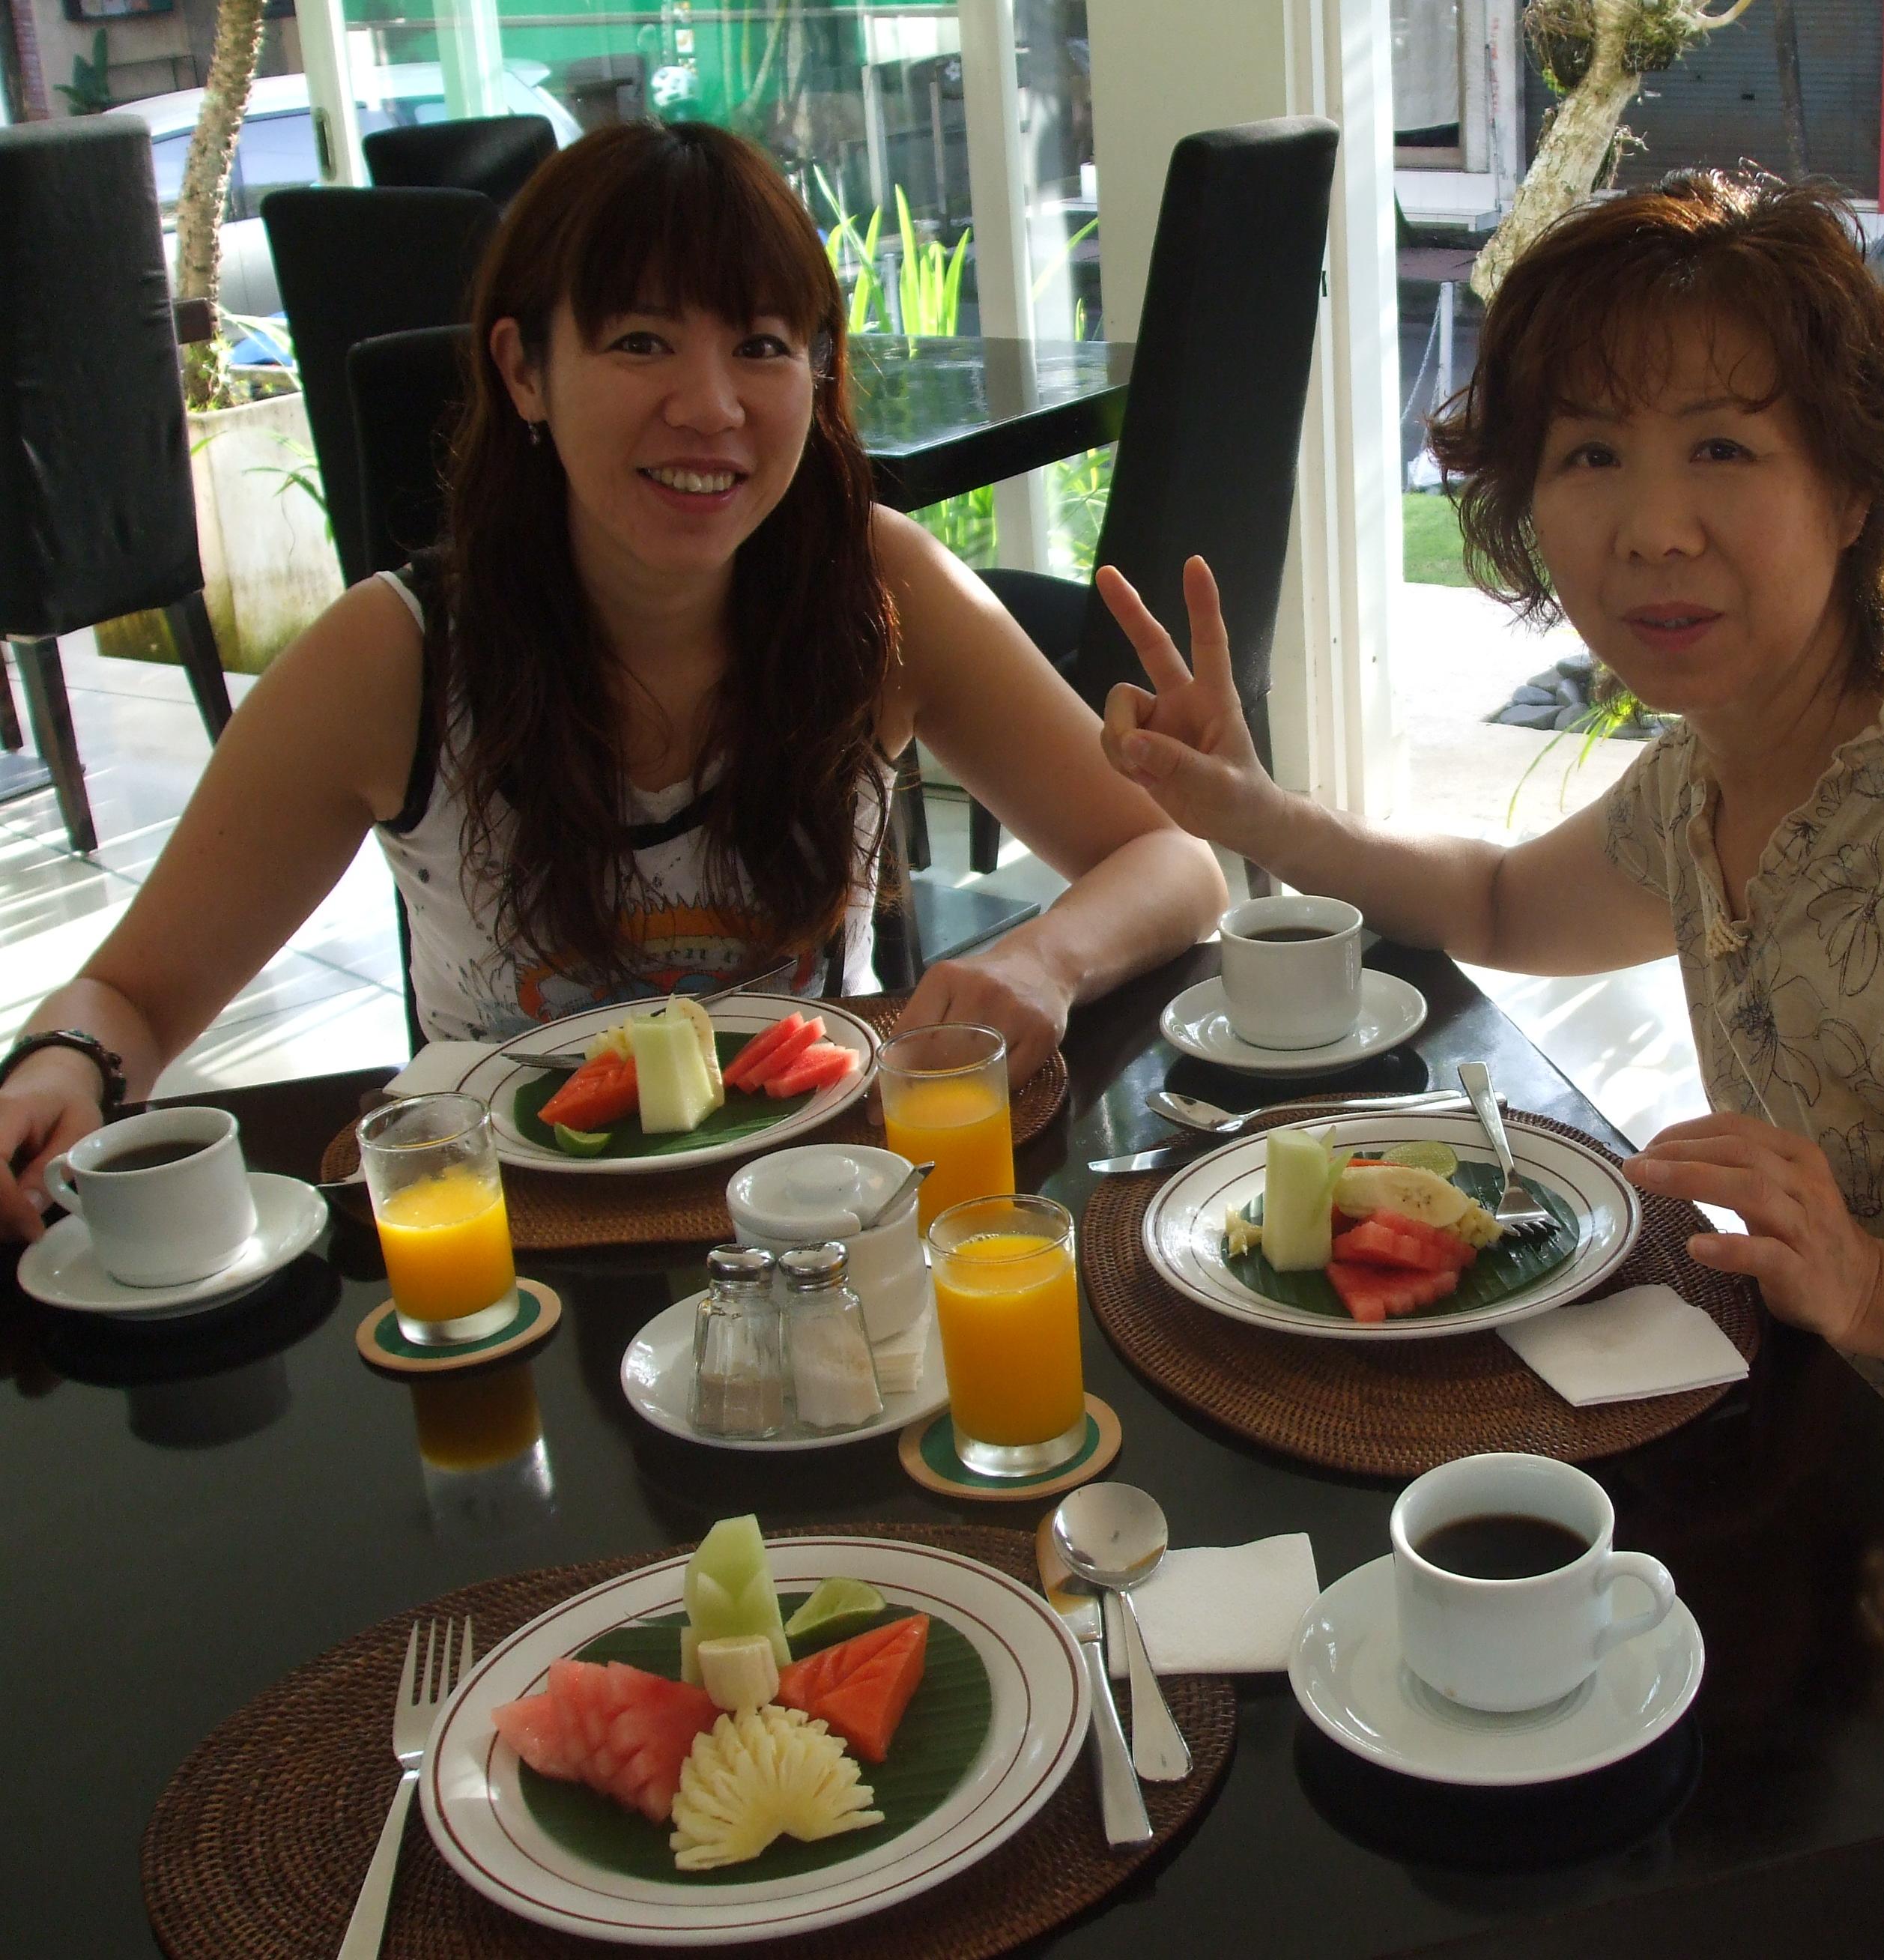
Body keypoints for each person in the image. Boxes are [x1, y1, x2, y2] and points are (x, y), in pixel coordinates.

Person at [1095, 172, 1884, 1764]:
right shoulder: (1722, 763)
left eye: (1724, 449)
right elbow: (1499, 902)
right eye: (1591, 453)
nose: (1652, 528)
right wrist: (1253, 812)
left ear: (1855, 489)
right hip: (1857, 1468)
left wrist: (1876, 1286)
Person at [0, 121, 1224, 1238]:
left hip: (818, 1221)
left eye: (761, 347)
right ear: (524, 370)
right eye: (642, 342)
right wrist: (63, 1065)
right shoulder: (398, 657)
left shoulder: (874, 591)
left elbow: (1171, 860)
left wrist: (1042, 959)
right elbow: (127, 999)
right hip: (513, 1259)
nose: (712, 406)